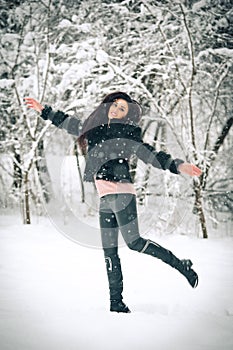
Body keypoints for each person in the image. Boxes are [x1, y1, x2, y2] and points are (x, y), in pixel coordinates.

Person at [25, 92, 202, 313]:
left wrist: (178, 165)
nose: (116, 110)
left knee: (134, 242)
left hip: (121, 194)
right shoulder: (92, 128)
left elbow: (150, 154)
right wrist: (43, 110)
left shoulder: (127, 134)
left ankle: (180, 264)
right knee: (109, 252)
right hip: (105, 198)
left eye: (122, 109)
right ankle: (116, 303)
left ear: (126, 116)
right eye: (115, 105)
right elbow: (67, 122)